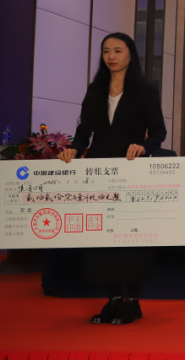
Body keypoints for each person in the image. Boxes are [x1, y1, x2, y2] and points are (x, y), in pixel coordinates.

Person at [58, 33, 167, 325]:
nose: (111, 56)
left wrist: (144, 147)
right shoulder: (95, 89)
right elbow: (84, 132)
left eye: (118, 50)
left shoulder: (145, 89)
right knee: (100, 236)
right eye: (106, 51)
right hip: (98, 171)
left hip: (131, 169)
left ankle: (132, 302)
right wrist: (74, 149)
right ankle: (113, 299)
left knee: (130, 238)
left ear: (130, 54)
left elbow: (158, 131)